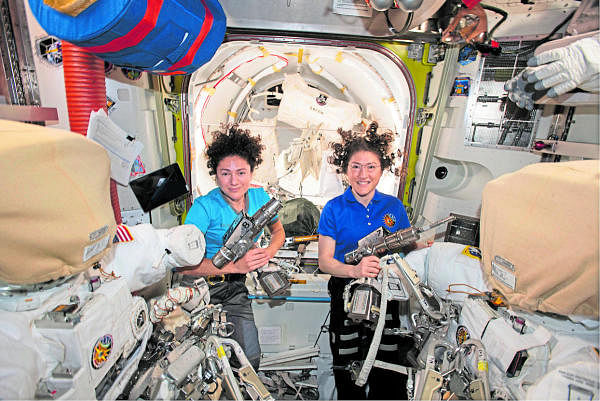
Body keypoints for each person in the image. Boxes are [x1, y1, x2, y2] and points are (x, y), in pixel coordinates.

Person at [317, 122, 414, 400]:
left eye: (371, 167)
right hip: (345, 292)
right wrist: (355, 270)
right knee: (348, 365)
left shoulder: (393, 207)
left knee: (388, 365)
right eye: (356, 167)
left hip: (386, 294)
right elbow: (325, 261)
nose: (363, 174)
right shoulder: (333, 208)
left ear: (381, 169)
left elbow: (405, 247)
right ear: (345, 170)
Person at [180, 125, 285, 370]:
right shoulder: (204, 208)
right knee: (204, 366)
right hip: (200, 289)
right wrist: (236, 265)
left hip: (235, 289)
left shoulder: (261, 199)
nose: (234, 181)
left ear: (251, 172)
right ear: (215, 174)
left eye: (241, 172)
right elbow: (184, 267)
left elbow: (278, 231)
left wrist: (267, 254)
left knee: (248, 359)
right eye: (225, 173)